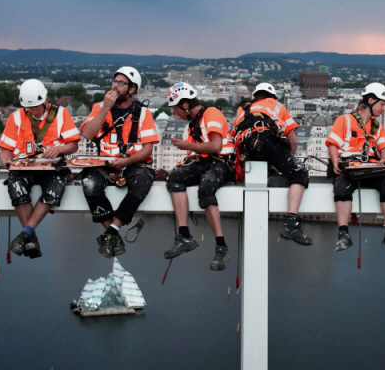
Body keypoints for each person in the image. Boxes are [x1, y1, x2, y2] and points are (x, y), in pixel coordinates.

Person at [80, 67, 159, 258]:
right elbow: (88, 134)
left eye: (121, 83)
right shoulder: (99, 108)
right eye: (114, 81)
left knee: (141, 184)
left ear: (132, 89)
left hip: (133, 164)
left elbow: (147, 150)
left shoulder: (143, 113)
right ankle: (113, 235)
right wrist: (106, 107)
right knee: (90, 184)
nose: (115, 86)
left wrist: (126, 161)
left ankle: (112, 231)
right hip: (105, 164)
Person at [0, 79, 80, 259]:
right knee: (16, 187)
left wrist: (59, 149)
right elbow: (5, 150)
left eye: (36, 107)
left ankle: (25, 234)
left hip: (53, 166)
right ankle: (30, 238)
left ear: (45, 100)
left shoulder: (61, 114)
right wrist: (8, 164)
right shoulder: (17, 117)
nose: (33, 111)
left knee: (54, 189)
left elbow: (73, 145)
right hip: (24, 166)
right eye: (29, 108)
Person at [165, 82, 235, 270]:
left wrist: (187, 146)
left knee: (206, 187)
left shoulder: (211, 113)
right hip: (205, 162)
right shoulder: (192, 125)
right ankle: (184, 235)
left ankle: (221, 246)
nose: (175, 113)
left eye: (176, 108)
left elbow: (215, 146)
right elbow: (194, 156)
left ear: (185, 105)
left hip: (221, 162)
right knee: (175, 179)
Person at [234, 82, 312, 245]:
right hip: (265, 139)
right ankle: (292, 223)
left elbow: (235, 135)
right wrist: (288, 160)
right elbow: (293, 140)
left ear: (255, 96)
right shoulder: (276, 105)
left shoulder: (243, 110)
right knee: (299, 173)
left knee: (265, 159)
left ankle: (270, 174)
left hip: (245, 148)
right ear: (272, 96)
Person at [326, 82, 385, 251]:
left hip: (371, 167)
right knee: (341, 187)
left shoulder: (377, 127)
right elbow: (333, 144)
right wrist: (335, 161)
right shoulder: (344, 120)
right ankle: (343, 234)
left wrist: (384, 163)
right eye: (382, 104)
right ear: (371, 100)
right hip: (350, 166)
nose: (383, 109)